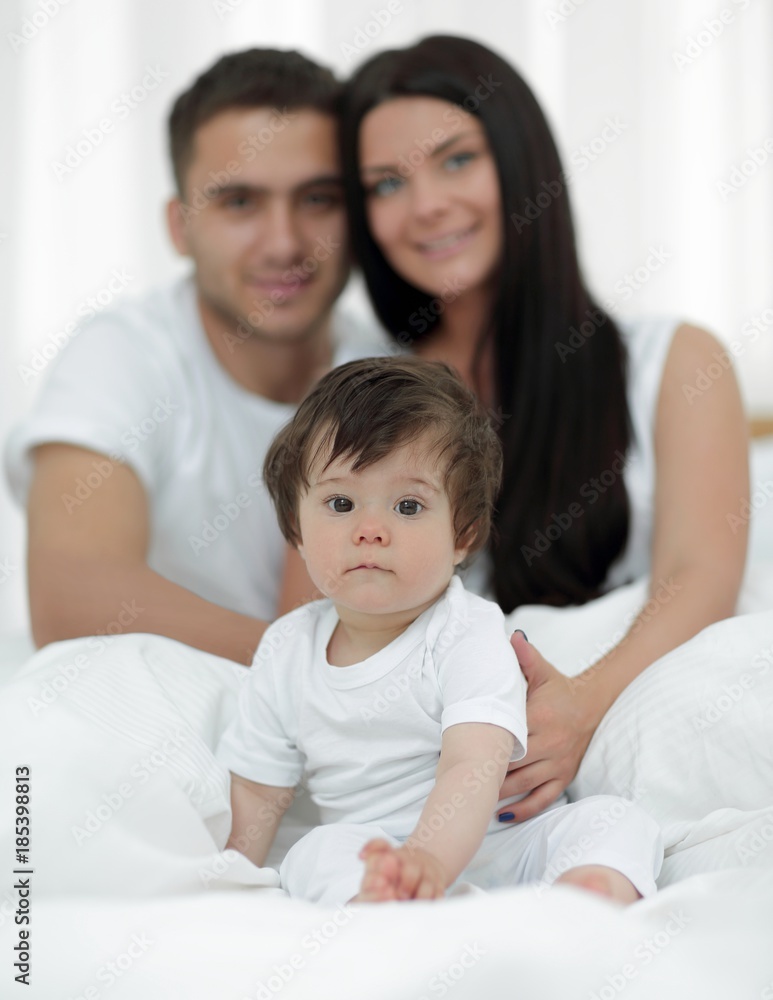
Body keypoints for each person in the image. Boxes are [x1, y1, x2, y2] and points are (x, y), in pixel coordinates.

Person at [336, 35, 750, 821]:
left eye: (456, 160)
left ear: (523, 165)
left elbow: (700, 574)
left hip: (622, 700)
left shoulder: (673, 359)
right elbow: (322, 615)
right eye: (387, 183)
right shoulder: (363, 395)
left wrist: (582, 704)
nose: (425, 205)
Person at [218, 356, 663, 906]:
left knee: (615, 821)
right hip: (377, 854)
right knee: (313, 852)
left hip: (508, 842)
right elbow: (260, 786)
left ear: (464, 535)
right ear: (296, 530)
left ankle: (581, 899)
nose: (371, 531)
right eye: (340, 503)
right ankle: (383, 905)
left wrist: (428, 859)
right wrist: (230, 874)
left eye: (408, 505)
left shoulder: (467, 631)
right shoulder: (286, 650)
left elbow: (471, 763)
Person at [4, 48, 385, 664]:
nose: (285, 242)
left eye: (318, 199)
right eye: (240, 203)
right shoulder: (124, 352)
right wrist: (307, 669)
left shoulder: (387, 373)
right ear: (180, 227)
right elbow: (71, 598)